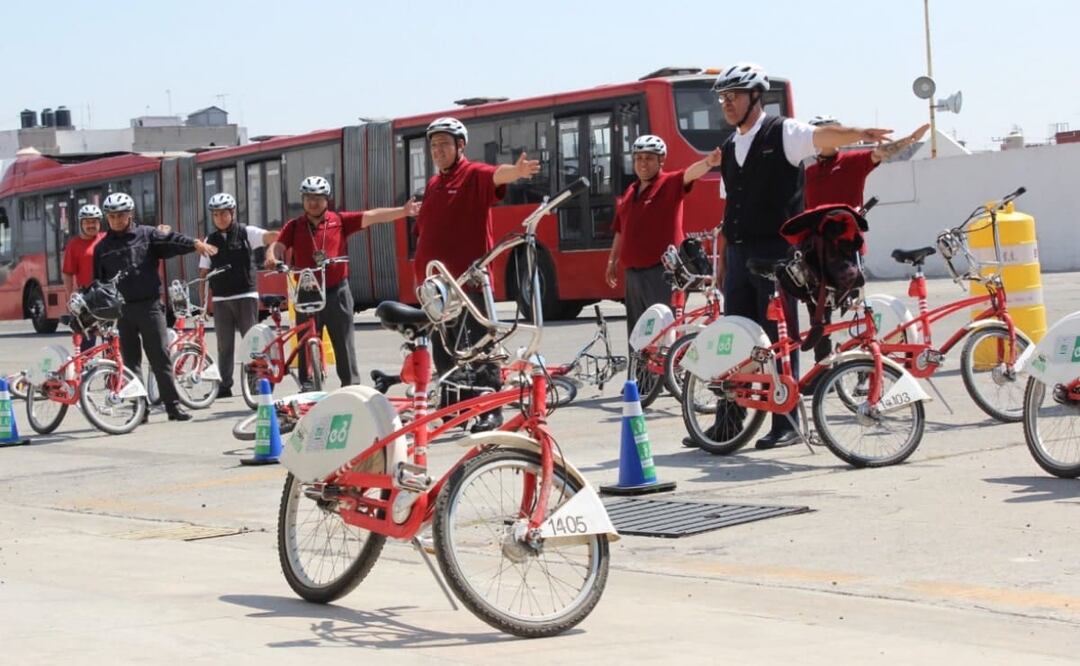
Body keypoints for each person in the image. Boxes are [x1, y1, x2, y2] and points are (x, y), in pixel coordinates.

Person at [709, 62, 892, 450]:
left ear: (755, 97)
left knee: (780, 339)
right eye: (723, 97)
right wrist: (724, 261)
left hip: (777, 254)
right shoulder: (728, 148)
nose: (727, 104)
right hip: (740, 254)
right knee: (737, 338)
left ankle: (787, 421)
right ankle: (730, 422)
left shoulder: (783, 132)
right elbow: (730, 211)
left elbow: (823, 136)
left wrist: (858, 133)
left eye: (734, 96)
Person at [412, 116, 540, 433]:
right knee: (446, 350)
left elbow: (497, 176)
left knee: (480, 347)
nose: (438, 150)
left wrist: (517, 171)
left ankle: (489, 408)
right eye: (433, 145)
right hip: (436, 289)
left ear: (460, 146)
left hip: (467, 284)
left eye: (444, 144)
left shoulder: (471, 174)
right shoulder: (433, 184)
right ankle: (457, 406)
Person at [264, 176, 418, 389]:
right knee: (305, 340)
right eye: (308, 198)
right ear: (303, 200)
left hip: (338, 290)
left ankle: (350, 386)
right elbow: (278, 245)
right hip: (307, 291)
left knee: (344, 343)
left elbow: (372, 216)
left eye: (318, 198)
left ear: (327, 200)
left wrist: (403, 211)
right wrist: (272, 256)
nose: (313, 202)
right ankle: (308, 386)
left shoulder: (339, 221)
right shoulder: (294, 226)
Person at [801, 116, 931, 361]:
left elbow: (882, 152)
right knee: (818, 310)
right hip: (817, 250)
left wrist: (912, 139)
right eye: (820, 133)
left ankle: (864, 363)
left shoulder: (854, 161)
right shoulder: (808, 172)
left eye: (831, 132)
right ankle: (824, 368)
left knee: (856, 305)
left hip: (847, 248)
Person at [93, 192, 217, 421]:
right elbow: (99, 284)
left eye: (121, 215)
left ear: (130, 214)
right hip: (123, 312)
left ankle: (173, 406)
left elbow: (171, 240)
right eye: (112, 216)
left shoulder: (147, 234)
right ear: (107, 218)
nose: (117, 220)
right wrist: (101, 317)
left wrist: (195, 244)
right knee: (130, 363)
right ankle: (139, 410)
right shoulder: (102, 248)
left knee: (160, 358)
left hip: (150, 306)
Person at [604, 134, 721, 336]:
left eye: (649, 158)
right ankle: (639, 369)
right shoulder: (631, 191)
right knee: (637, 336)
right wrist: (612, 261)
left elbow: (690, 174)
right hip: (633, 276)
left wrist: (708, 163)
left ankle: (667, 368)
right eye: (639, 158)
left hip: (662, 274)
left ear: (661, 160)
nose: (643, 163)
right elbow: (620, 230)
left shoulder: (669, 183)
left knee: (664, 334)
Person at [198, 193, 278, 398]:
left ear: (232, 213)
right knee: (224, 346)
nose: (220, 218)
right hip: (221, 299)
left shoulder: (246, 232)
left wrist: (271, 252)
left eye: (224, 213)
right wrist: (202, 304)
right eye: (215, 214)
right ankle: (224, 386)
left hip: (246, 295)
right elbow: (203, 274)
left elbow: (274, 236)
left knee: (251, 342)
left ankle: (256, 385)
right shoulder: (210, 240)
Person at [63, 204, 105, 352]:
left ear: (99, 222)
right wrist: (70, 299)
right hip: (85, 298)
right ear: (81, 223)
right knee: (87, 345)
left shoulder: (106, 239)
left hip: (107, 297)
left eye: (94, 221)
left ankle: (112, 374)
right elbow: (68, 273)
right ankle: (86, 373)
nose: (91, 225)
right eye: (87, 222)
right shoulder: (74, 245)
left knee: (112, 342)